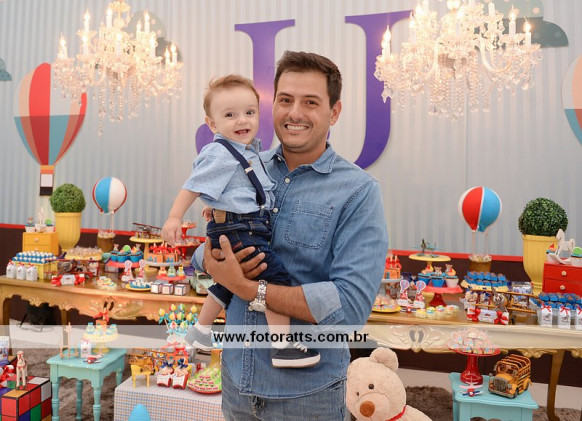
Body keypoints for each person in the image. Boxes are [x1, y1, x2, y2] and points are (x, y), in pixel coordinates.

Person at [197, 51, 388, 420]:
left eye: (310, 102)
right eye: (285, 100)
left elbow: (350, 307)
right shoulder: (242, 168)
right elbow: (211, 243)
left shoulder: (358, 191)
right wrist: (209, 258)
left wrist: (249, 288)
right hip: (235, 385)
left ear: (334, 112)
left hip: (308, 398)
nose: (294, 113)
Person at [161, 74, 320, 368]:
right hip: (241, 229)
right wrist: (174, 217)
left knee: (229, 282)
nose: (242, 120)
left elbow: (238, 189)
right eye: (230, 115)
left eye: (249, 112)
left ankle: (200, 331)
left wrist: (217, 206)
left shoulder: (248, 152)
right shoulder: (221, 152)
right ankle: (282, 346)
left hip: (242, 225)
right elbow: (194, 184)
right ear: (212, 124)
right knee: (275, 279)